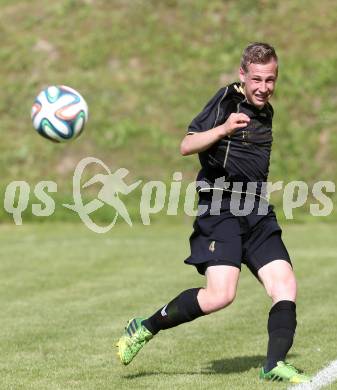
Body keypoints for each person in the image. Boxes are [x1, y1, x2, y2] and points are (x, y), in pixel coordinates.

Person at [116, 42, 310, 383]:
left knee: (285, 284)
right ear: (242, 76)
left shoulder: (266, 110)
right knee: (221, 295)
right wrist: (223, 130)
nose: (263, 87)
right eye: (256, 80)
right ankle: (145, 328)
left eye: (270, 80)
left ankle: (274, 364)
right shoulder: (226, 100)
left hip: (256, 210)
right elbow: (186, 145)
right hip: (221, 208)